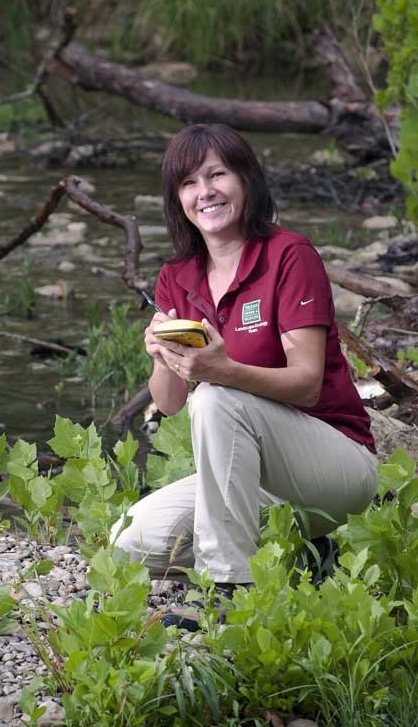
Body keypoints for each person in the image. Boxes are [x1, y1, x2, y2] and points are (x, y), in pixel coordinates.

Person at [113, 123, 377, 610]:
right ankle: (302, 553)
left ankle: (233, 590)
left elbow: (307, 385)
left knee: (215, 397)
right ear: (177, 200)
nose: (205, 192)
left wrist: (222, 370)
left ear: (247, 181)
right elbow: (169, 404)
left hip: (336, 464)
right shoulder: (177, 275)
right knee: (130, 541)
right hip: (256, 480)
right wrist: (161, 355)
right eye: (189, 183)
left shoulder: (289, 256)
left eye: (217, 175)